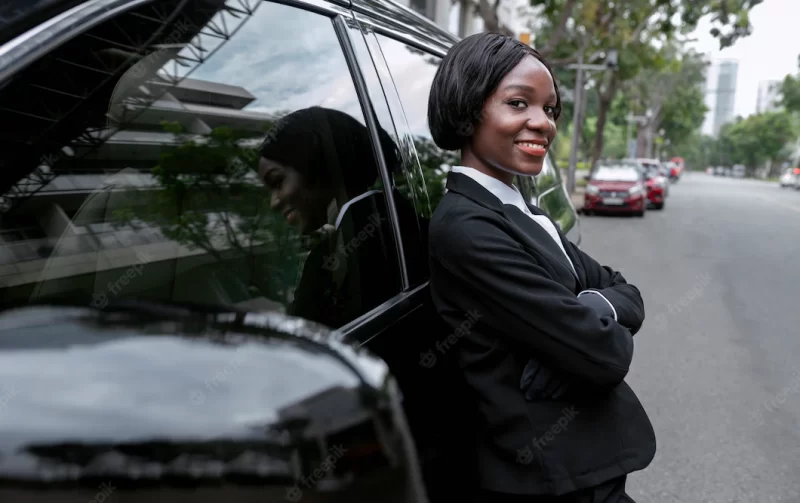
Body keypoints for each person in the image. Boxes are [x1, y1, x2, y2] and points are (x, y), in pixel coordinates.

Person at [426, 33, 656, 502]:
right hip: (545, 476)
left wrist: (589, 305)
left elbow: (625, 290)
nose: (543, 123)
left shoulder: (518, 209)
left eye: (549, 109)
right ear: (468, 109)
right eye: (518, 103)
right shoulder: (467, 227)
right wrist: (588, 330)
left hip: (585, 465)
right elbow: (606, 353)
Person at [258, 106, 424, 328]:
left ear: (317, 163)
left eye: (278, 182)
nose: (274, 202)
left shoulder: (327, 262)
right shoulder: (410, 223)